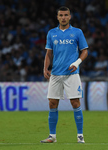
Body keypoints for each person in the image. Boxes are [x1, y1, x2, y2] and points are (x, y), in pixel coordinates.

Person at [40, 6, 88, 143]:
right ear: (57, 17)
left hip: (72, 74)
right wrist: (45, 68)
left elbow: (85, 51)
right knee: (52, 103)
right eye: (61, 15)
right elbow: (49, 53)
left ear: (70, 16)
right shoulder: (51, 33)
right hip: (55, 74)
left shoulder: (77, 32)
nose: (63, 17)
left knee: (75, 102)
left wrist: (77, 62)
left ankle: (80, 136)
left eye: (66, 15)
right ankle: (52, 137)